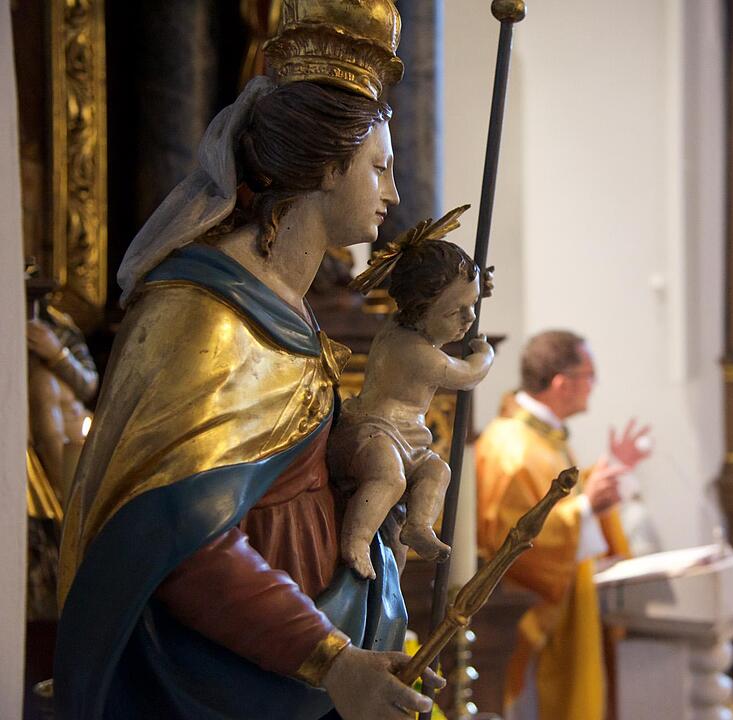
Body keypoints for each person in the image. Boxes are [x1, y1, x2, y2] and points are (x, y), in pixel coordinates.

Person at [55, 2, 443, 718]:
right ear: (328, 168)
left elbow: (285, 469)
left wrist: (372, 454)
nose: (391, 193)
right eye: (378, 168)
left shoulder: (287, 307)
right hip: (227, 671)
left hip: (296, 661)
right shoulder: (201, 318)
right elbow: (180, 542)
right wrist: (331, 662)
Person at [475, 330, 652, 720]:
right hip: (534, 614)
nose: (594, 385)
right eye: (590, 375)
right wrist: (589, 505)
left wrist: (599, 482)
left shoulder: (539, 436)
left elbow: (553, 500)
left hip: (569, 596)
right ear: (562, 383)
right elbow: (513, 537)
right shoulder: (512, 447)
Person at [329, 210, 495, 579]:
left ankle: (418, 525)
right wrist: (485, 355)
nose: (468, 320)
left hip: (409, 439)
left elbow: (446, 295)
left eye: (474, 305)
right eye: (457, 311)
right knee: (390, 479)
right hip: (372, 432)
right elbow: (467, 375)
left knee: (438, 469)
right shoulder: (415, 352)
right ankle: (356, 541)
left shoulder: (407, 324)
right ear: (419, 312)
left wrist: (479, 282)